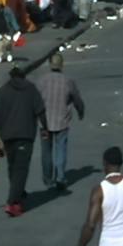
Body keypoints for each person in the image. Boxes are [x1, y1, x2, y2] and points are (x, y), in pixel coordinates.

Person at [0, 64, 46, 217]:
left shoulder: (3, 92)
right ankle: (12, 201)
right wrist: (45, 128)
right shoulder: (31, 89)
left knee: (13, 166)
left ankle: (18, 193)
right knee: (21, 169)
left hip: (7, 136)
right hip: (25, 134)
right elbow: (40, 110)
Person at [37, 49, 86, 192]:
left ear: (49, 64)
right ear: (62, 65)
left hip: (44, 122)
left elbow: (35, 101)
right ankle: (60, 177)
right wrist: (80, 111)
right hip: (61, 121)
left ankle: (47, 178)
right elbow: (77, 99)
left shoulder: (41, 81)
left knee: (46, 152)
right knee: (61, 149)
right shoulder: (68, 81)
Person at [0, 0, 21, 66]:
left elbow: (12, 19)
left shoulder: (8, 11)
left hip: (7, 30)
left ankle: (9, 54)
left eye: (0, 5)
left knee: (8, 44)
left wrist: (16, 28)